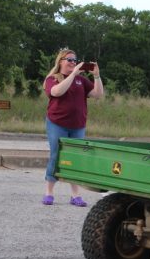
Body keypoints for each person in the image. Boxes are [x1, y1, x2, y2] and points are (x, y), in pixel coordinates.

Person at [41, 49, 104, 206]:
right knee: (56, 155)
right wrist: (73, 74)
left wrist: (96, 76)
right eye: (69, 60)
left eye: (75, 61)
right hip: (57, 123)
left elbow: (97, 94)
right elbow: (56, 92)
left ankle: (75, 196)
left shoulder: (81, 81)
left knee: (75, 159)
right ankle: (49, 192)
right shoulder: (52, 79)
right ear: (61, 61)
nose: (73, 63)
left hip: (77, 126)